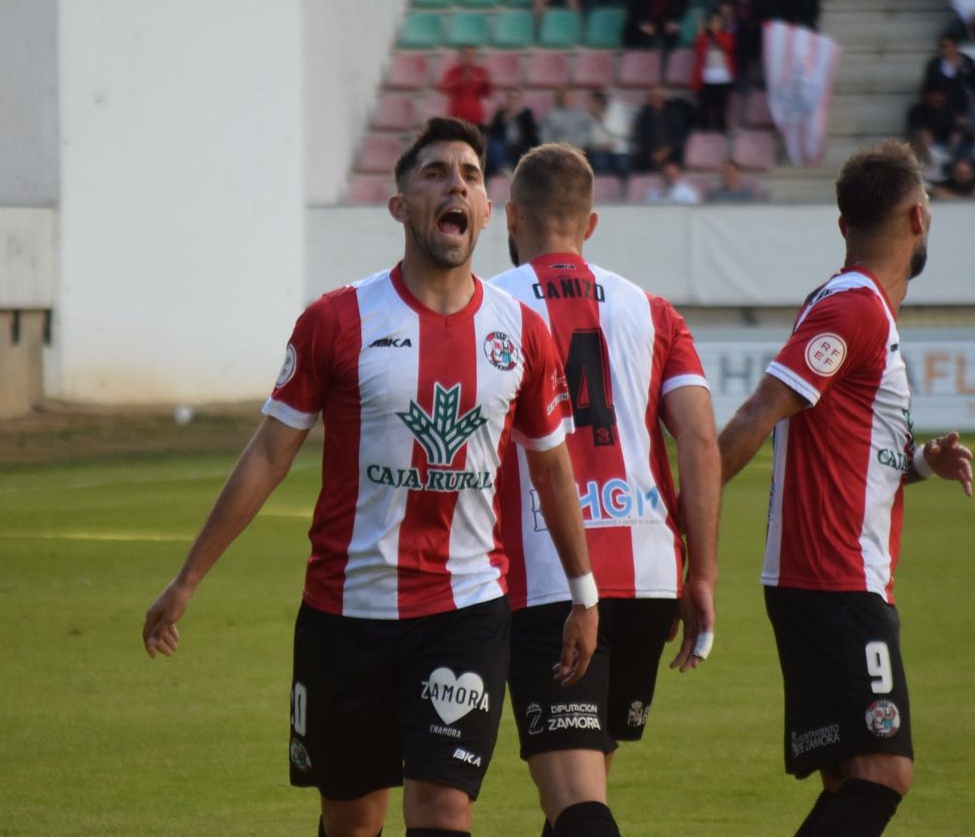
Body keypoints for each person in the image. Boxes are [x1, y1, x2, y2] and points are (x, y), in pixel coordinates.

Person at [140, 118, 598, 837]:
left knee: (442, 808)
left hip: (465, 609)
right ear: (400, 206)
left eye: (471, 176)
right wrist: (188, 578)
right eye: (435, 172)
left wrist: (584, 593)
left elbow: (551, 468)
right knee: (352, 820)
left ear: (485, 212)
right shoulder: (336, 320)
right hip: (346, 612)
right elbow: (267, 454)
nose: (456, 184)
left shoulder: (521, 333)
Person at [716, 143, 975, 837]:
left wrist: (919, 463)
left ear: (842, 225)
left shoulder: (853, 308)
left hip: (829, 578)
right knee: (885, 773)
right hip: (834, 581)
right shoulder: (853, 309)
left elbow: (846, 446)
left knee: (847, 778)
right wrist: (680, 516)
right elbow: (758, 412)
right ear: (919, 217)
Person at [493, 143, 720, 837]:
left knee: (577, 805)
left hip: (553, 580)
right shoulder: (653, 312)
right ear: (590, 224)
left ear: (512, 216)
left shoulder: (491, 306)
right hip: (651, 576)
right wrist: (702, 572)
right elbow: (700, 441)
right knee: (579, 795)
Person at [690, 12, 736, 133]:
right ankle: (703, 126)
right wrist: (700, 35)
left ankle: (720, 127)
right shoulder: (704, 37)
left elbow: (728, 47)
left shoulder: (727, 36)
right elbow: (698, 51)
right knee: (705, 104)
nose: (715, 24)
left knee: (720, 105)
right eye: (713, 22)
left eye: (718, 22)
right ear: (709, 24)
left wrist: (714, 36)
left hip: (722, 77)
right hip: (706, 77)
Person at [488, 88, 541, 175]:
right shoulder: (500, 114)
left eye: (516, 99)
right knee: (493, 146)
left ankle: (516, 170)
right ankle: (504, 168)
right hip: (504, 146)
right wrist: (503, 123)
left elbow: (532, 134)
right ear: (507, 101)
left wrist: (518, 117)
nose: (513, 102)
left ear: (520, 102)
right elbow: (493, 134)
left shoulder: (526, 115)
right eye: (511, 99)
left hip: (520, 147)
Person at [633, 88, 689, 170]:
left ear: (663, 97)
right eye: (652, 97)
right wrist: (653, 153)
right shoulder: (644, 115)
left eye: (657, 96)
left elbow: (680, 135)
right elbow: (640, 136)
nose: (655, 99)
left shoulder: (673, 112)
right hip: (650, 154)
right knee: (640, 165)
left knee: (672, 168)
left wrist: (666, 150)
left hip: (671, 152)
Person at [440, 47, 493, 126]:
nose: (468, 57)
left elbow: (487, 93)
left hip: (475, 116)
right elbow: (444, 88)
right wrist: (460, 81)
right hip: (456, 115)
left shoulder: (480, 72)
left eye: (471, 54)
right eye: (465, 54)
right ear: (460, 56)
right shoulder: (453, 72)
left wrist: (488, 84)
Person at [586, 90, 634, 177]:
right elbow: (591, 138)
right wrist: (600, 145)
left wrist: (602, 120)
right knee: (599, 165)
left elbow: (623, 132)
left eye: (594, 102)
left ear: (601, 101)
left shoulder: (617, 110)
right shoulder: (590, 117)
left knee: (623, 167)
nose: (592, 105)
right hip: (600, 151)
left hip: (618, 149)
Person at [544, 87, 596, 151]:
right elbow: (545, 139)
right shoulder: (550, 117)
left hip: (580, 151)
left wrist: (577, 146)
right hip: (558, 152)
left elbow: (587, 134)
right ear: (561, 98)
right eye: (566, 97)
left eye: (571, 97)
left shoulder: (581, 115)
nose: (569, 99)